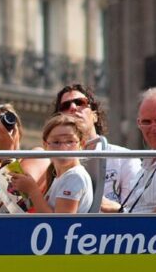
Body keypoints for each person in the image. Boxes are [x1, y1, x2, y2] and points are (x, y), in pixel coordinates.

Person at [53, 84, 140, 212]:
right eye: (65, 106)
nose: (72, 108)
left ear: (95, 115)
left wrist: (115, 208)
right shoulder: (51, 161)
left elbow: (136, 214)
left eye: (80, 102)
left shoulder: (124, 158)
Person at [10, 114, 93, 214]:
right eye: (56, 142)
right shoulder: (63, 176)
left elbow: (59, 224)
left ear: (81, 144)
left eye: (70, 141)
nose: (63, 148)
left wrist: (32, 190)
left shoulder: (74, 176)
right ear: (45, 145)